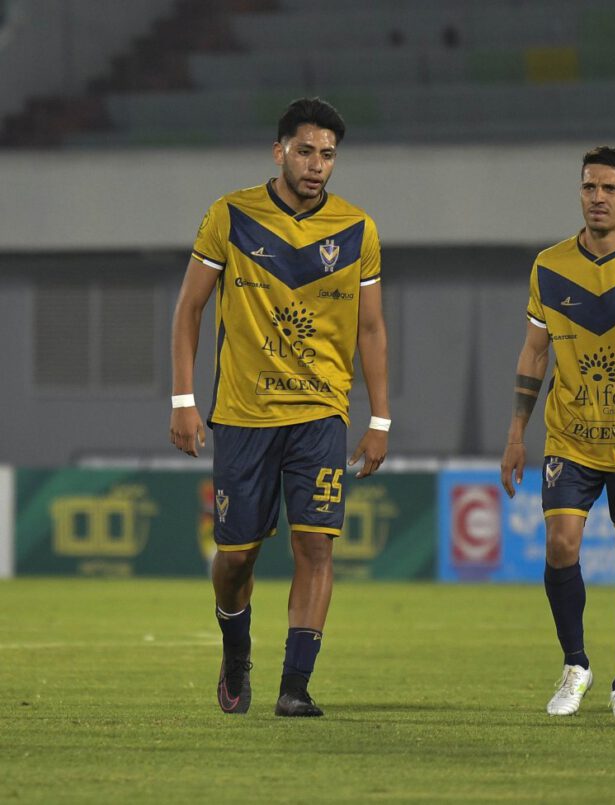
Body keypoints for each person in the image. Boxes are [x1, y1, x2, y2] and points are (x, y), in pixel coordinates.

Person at [169, 97, 390, 718]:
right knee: (236, 558)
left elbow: (371, 330)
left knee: (316, 545)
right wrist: (184, 399)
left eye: (328, 155)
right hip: (241, 415)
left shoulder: (357, 230)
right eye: (305, 151)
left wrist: (380, 418)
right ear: (279, 151)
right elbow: (189, 308)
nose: (317, 165)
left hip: (321, 411)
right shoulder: (231, 215)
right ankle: (236, 647)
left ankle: (295, 686)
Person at [501, 147, 615, 719]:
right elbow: (534, 352)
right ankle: (576, 664)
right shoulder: (550, 267)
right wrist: (516, 432)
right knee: (559, 545)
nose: (597, 197)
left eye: (609, 188)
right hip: (570, 439)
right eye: (588, 187)